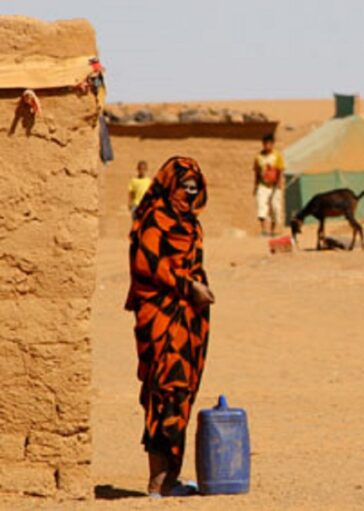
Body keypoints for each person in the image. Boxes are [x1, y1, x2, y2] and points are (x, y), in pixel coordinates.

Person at [124, 157, 215, 497]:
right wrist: (187, 286)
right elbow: (144, 264)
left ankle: (171, 479)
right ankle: (158, 482)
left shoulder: (191, 223)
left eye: (195, 190)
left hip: (189, 322)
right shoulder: (154, 219)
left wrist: (197, 292)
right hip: (160, 319)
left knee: (183, 393)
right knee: (165, 392)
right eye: (184, 188)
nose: (189, 195)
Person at [253, 133, 285, 236]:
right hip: (263, 185)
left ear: (272, 144)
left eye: (269, 144)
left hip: (274, 185)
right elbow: (257, 172)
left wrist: (279, 182)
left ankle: (273, 230)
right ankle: (264, 230)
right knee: (262, 206)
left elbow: (280, 170)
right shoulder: (259, 157)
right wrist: (256, 185)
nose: (267, 146)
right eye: (265, 143)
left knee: (275, 208)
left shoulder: (277, 156)